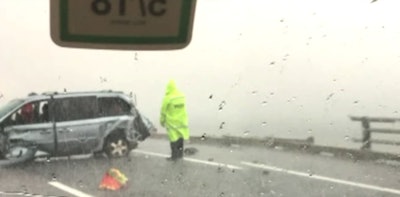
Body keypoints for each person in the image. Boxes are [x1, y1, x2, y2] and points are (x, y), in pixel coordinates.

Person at [160, 80, 190, 161]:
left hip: (172, 123)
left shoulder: (168, 98)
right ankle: (180, 155)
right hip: (182, 121)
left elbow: (163, 111)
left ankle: (174, 156)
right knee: (180, 138)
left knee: (173, 139)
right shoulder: (181, 96)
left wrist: (162, 121)